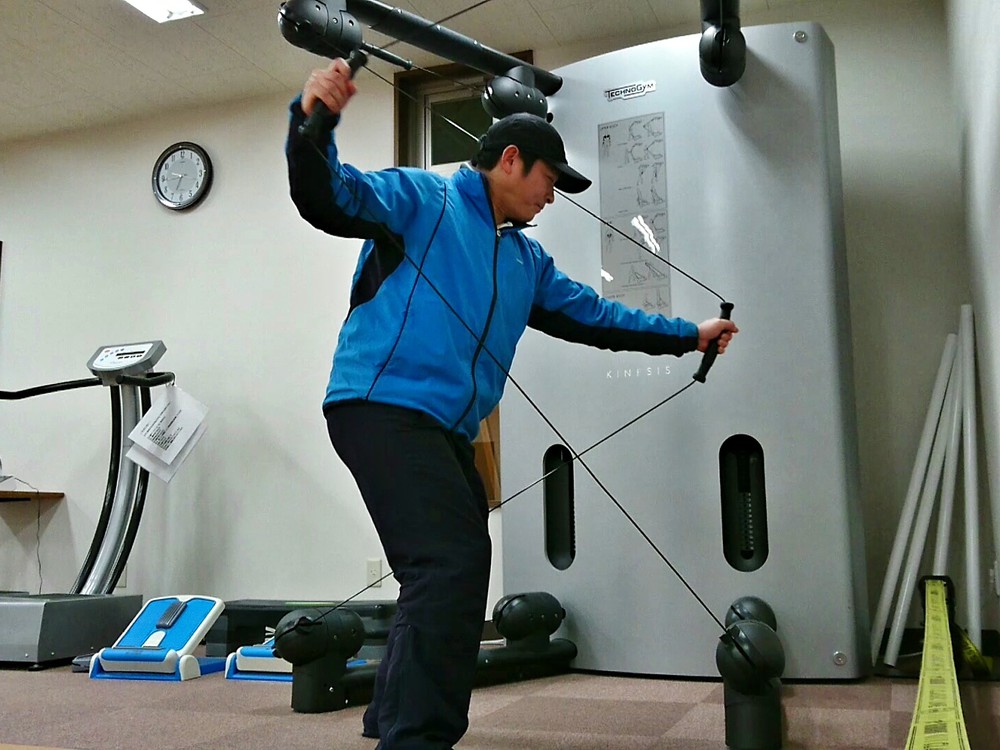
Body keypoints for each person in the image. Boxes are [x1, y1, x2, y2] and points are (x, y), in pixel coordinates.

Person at [287, 58, 738, 750]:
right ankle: (416, 738)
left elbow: (595, 317)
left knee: (444, 568)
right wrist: (313, 122)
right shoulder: (424, 199)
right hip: (379, 404)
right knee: (450, 563)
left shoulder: (525, 260)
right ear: (509, 159)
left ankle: (392, 715)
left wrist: (688, 336)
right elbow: (329, 197)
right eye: (549, 179)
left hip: (443, 429)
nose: (553, 197)